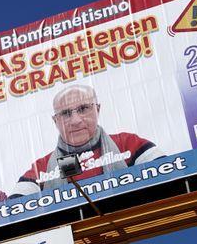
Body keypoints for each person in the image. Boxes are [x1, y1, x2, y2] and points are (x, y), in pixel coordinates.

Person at [14, 83, 163, 194]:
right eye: (66, 113)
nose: (75, 120)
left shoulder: (128, 144)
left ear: (97, 109)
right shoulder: (42, 168)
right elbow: (13, 211)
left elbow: (171, 174)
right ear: (55, 121)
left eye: (83, 109)